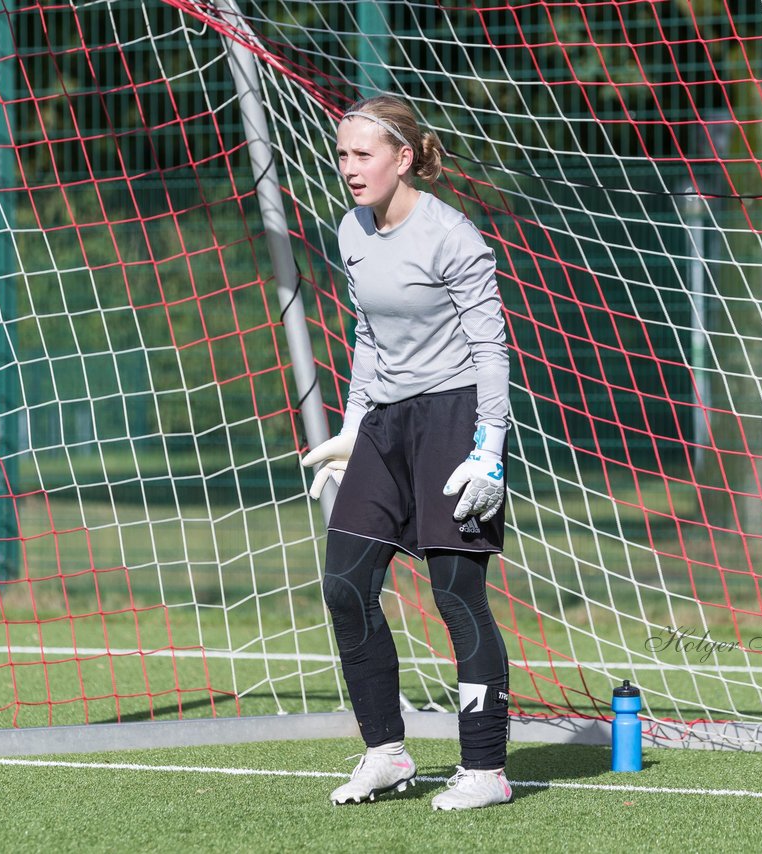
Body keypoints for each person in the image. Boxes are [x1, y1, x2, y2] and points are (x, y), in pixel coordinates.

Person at [300, 94, 513, 812]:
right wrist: (356, 423)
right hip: (385, 425)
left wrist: (491, 450)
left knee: (457, 597)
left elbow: (491, 350)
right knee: (344, 586)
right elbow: (367, 333)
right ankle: (386, 754)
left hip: (456, 421)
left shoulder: (454, 236)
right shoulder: (351, 231)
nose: (349, 168)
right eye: (342, 155)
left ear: (405, 156)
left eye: (363, 154)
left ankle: (485, 769)